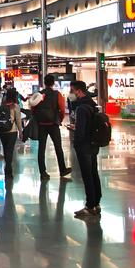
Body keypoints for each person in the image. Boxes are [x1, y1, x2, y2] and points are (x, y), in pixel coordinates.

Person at [68, 81, 103, 219]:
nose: (71, 94)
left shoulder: (82, 108)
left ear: (78, 91)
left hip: (84, 146)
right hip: (93, 143)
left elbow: (81, 131)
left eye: (72, 91)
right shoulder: (92, 105)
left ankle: (89, 205)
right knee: (93, 173)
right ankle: (96, 202)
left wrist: (76, 140)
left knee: (87, 175)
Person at [27, 75, 71, 181]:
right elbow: (62, 109)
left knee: (41, 149)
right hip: (53, 124)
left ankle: (43, 173)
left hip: (41, 125)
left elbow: (33, 110)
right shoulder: (57, 94)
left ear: (44, 82)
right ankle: (62, 170)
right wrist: (58, 120)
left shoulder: (39, 94)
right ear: (53, 83)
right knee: (58, 147)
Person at [0, 89, 23, 181]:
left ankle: (6, 169)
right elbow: (18, 121)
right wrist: (21, 132)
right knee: (10, 151)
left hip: (2, 131)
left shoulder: (2, 105)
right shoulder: (15, 106)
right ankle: (8, 170)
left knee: (5, 150)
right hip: (12, 132)